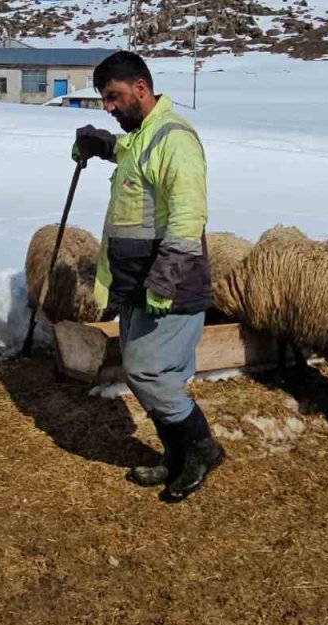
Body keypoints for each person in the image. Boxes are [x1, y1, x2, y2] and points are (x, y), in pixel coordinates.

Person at [72, 51, 223, 503]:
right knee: (147, 374)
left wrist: (164, 279)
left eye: (114, 97)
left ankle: (201, 449)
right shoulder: (143, 136)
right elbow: (133, 157)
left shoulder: (175, 139)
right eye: (104, 101)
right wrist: (102, 145)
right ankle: (176, 456)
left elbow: (188, 217)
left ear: (141, 87)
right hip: (138, 283)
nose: (109, 108)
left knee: (147, 371)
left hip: (168, 285)